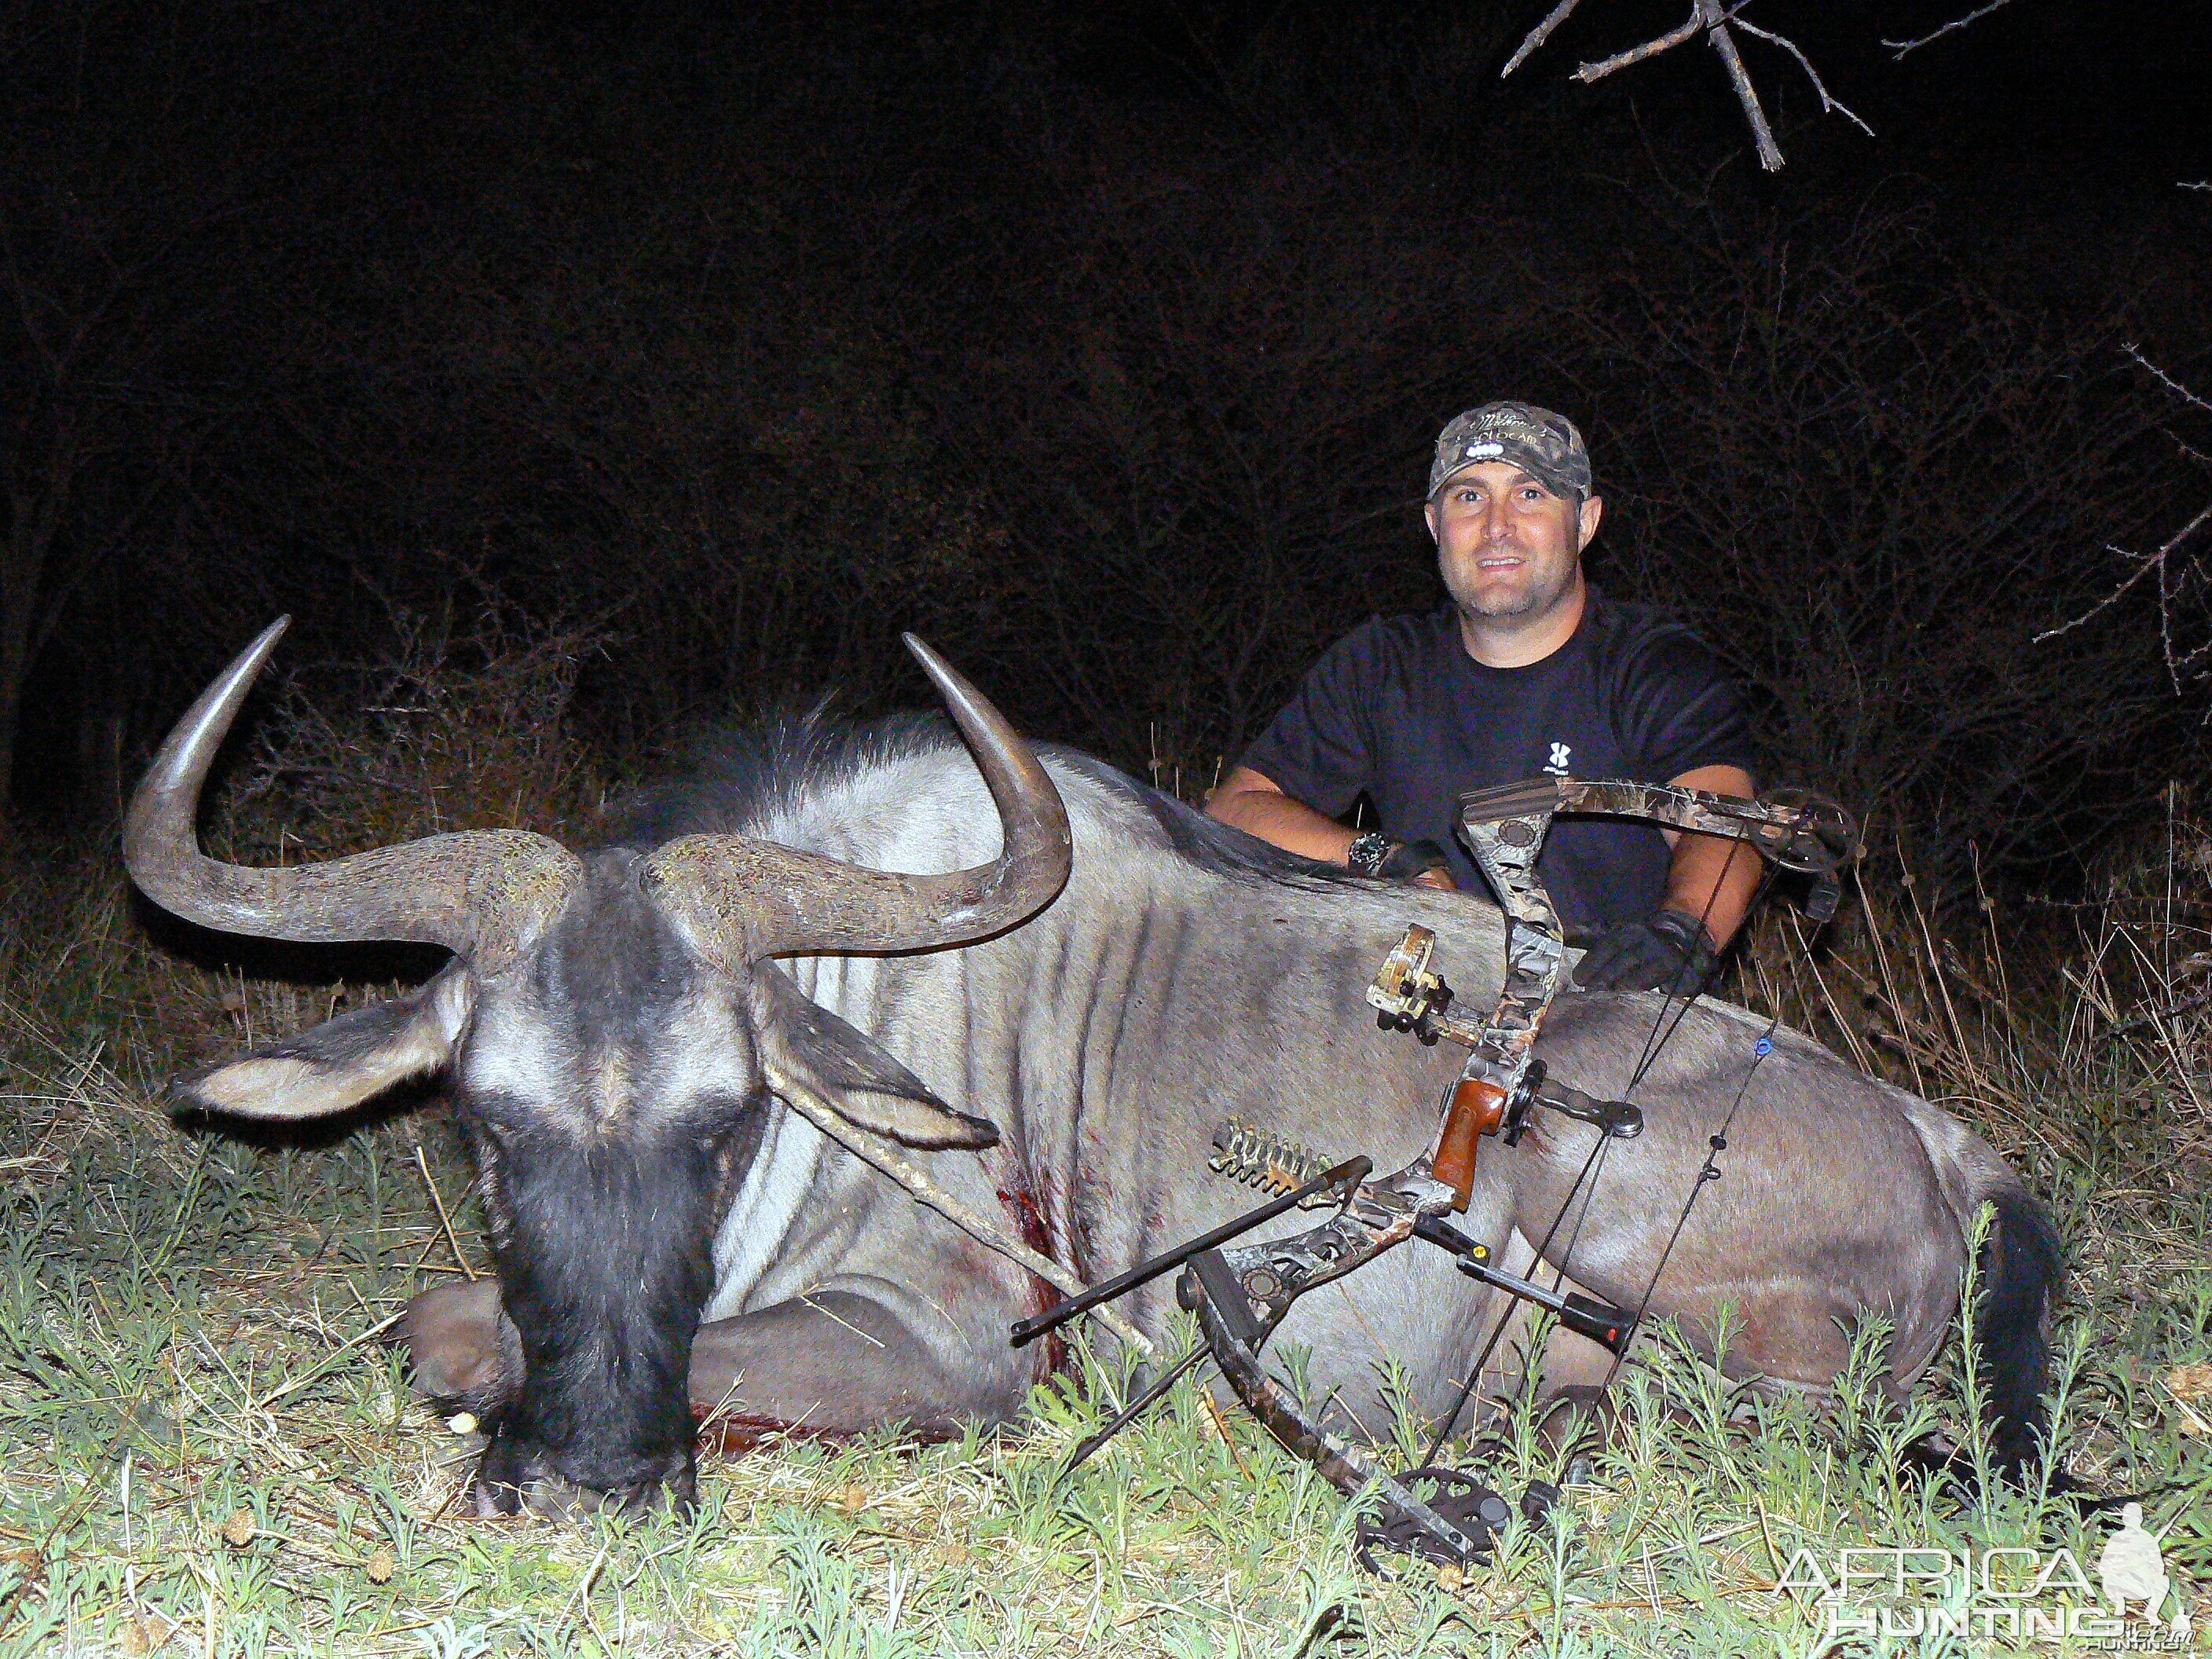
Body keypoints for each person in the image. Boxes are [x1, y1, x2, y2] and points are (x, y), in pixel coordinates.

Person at [1206, 401, 1761, 994]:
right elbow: (1234, 808)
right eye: (1469, 497)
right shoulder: (1381, 664)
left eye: (1530, 495)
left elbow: (1727, 822)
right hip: (1433, 1017)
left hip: (1611, 1009)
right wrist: (1378, 857)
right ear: (1433, 525)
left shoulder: (1650, 663)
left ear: (1586, 522)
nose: (1497, 526)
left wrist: (1683, 933)